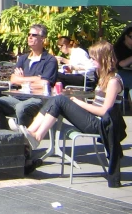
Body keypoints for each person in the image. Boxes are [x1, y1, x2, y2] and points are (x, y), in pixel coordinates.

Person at [19, 41, 126, 188]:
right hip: (94, 119)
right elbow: (96, 105)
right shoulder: (103, 77)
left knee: (60, 100)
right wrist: (78, 103)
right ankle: (32, 132)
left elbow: (104, 111)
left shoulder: (114, 81)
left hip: (101, 125)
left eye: (93, 58)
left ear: (103, 58)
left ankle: (36, 136)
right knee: (57, 100)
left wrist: (78, 103)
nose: (91, 61)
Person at [0, 23, 58, 128]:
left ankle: (26, 139)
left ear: (43, 39)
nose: (29, 37)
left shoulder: (50, 60)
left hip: (38, 99)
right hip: (18, 96)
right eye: (29, 34)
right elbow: (13, 79)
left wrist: (22, 79)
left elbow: (44, 83)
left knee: (22, 108)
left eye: (34, 35)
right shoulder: (23, 58)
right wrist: (35, 79)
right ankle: (7, 131)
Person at [112, 24, 132, 91]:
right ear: (126, 36)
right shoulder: (118, 48)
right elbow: (121, 64)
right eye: (131, 37)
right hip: (120, 73)